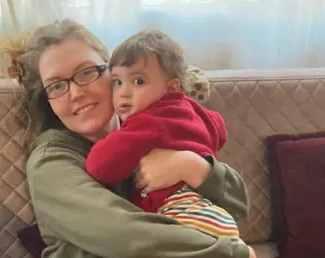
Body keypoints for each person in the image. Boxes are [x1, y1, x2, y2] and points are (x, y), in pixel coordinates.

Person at [0, 19, 256, 258]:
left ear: (111, 72)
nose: (75, 93)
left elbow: (238, 205)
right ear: (47, 98)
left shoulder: (153, 125)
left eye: (86, 73)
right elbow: (126, 234)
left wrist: (191, 166)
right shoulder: (50, 163)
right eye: (56, 85)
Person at [85, 29, 242, 239]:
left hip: (182, 214)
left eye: (138, 81)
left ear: (171, 88)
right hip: (213, 211)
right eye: (117, 82)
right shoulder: (194, 110)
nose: (124, 92)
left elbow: (100, 167)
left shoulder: (146, 122)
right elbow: (219, 130)